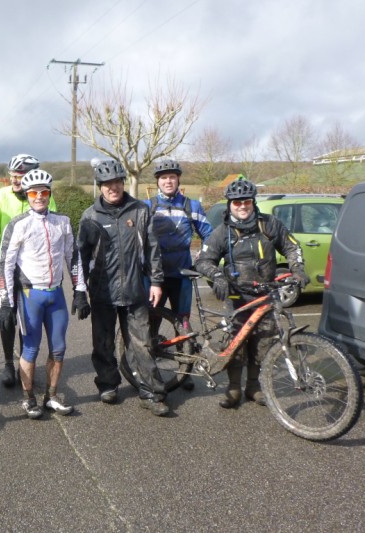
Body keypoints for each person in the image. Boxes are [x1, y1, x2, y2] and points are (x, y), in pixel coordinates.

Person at [195, 177, 309, 408]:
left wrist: (297, 270)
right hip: (237, 297)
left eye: (246, 201)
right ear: (230, 205)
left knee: (263, 342)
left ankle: (254, 386)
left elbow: (291, 246)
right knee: (236, 344)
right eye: (237, 202)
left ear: (252, 202)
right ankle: (234, 388)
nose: (242, 206)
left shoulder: (269, 225)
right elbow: (204, 261)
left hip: (266, 294)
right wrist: (217, 276)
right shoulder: (222, 232)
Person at [76, 159, 170, 416]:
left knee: (142, 345)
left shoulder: (140, 210)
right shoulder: (90, 216)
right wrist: (80, 292)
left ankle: (151, 392)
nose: (112, 187)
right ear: (100, 186)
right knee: (103, 344)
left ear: (122, 183)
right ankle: (108, 384)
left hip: (134, 290)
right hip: (102, 293)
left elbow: (152, 250)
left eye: (116, 182)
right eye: (107, 184)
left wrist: (157, 281)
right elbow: (80, 259)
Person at [0, 169, 86, 419]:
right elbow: (6, 264)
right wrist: (6, 302)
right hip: (30, 296)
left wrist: (80, 291)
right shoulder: (18, 224)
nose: (39, 197)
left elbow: (73, 257)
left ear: (49, 194)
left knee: (59, 349)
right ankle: (28, 399)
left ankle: (52, 396)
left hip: (55, 295)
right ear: (27, 195)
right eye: (34, 193)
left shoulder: (63, 222)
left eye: (44, 192)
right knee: (31, 350)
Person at [0, 154, 57, 388]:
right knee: (6, 317)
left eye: (21, 176)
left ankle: (23, 362)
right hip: (7, 268)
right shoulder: (2, 196)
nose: (15, 180)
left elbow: (52, 229)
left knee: (27, 320)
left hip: (32, 271)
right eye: (13, 176)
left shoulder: (43, 196)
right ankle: (7, 363)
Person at [145, 159, 213, 391]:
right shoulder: (148, 206)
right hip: (155, 275)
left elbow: (209, 237)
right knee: (151, 320)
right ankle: (149, 367)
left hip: (181, 274)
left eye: (172, 177)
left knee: (181, 322)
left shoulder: (191, 206)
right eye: (163, 178)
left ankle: (185, 370)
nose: (168, 181)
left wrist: (201, 260)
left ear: (178, 180)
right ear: (157, 182)